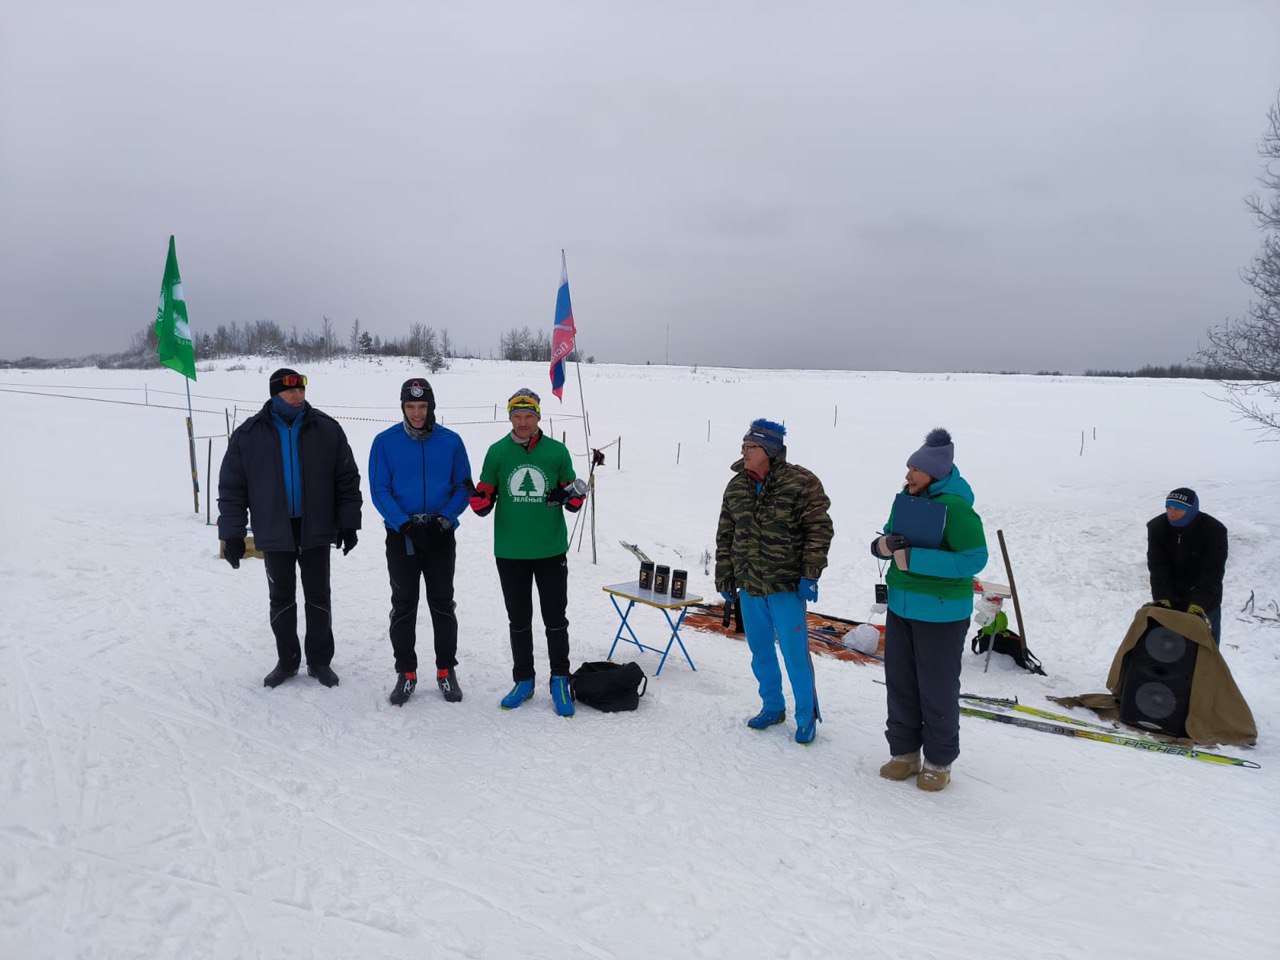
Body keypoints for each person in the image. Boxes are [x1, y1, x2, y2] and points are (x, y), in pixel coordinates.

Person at [218, 368, 362, 688]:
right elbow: (232, 488)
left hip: (316, 528)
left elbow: (346, 479)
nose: (298, 395)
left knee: (318, 596)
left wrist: (348, 524)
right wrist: (232, 533)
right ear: (274, 394)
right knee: (281, 598)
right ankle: (287, 661)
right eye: (290, 390)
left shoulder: (326, 429)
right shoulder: (250, 434)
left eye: (301, 389)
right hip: (274, 530)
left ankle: (320, 661)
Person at [871, 428, 986, 792]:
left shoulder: (956, 507)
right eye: (908, 469)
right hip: (902, 606)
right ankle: (904, 753)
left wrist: (914, 558)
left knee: (936, 688)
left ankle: (939, 760)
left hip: (942, 612)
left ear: (934, 473)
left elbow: (974, 559)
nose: (908, 476)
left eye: (915, 471)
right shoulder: (907, 499)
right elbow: (888, 535)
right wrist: (883, 546)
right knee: (900, 682)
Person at [715, 419, 833, 745]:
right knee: (760, 651)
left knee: (795, 654)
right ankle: (772, 705)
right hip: (750, 585)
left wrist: (811, 573)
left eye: (749, 447)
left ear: (769, 450)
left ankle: (807, 716)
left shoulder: (800, 482)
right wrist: (725, 574)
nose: (743, 451)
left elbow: (818, 531)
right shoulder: (737, 485)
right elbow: (726, 534)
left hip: (786, 586)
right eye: (743, 446)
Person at [469, 388, 586, 716]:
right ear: (510, 418)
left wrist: (572, 497)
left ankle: (560, 678)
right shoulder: (497, 452)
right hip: (510, 550)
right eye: (517, 416)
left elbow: (572, 491)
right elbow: (485, 496)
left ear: (538, 417)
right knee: (518, 620)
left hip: (550, 549)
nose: (523, 422)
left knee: (555, 619)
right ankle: (524, 679)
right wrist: (479, 500)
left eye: (529, 416)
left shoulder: (557, 451)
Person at [369, 377, 473, 706]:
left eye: (422, 406)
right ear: (403, 407)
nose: (416, 413)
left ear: (432, 407)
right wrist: (404, 525)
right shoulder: (385, 443)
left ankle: (446, 671)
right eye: (410, 406)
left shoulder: (451, 441)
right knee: (404, 603)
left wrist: (445, 520)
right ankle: (407, 673)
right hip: (404, 537)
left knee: (442, 602)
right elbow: (379, 490)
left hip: (440, 534)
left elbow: (463, 486)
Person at [1147, 487, 1228, 646]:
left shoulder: (1214, 530)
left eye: (1178, 509)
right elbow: (1157, 565)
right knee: (1170, 653)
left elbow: (1212, 571)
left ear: (1192, 510)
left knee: (1205, 653)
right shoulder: (1157, 527)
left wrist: (1199, 604)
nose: (1172, 513)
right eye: (1168, 507)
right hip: (1170, 601)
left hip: (1205, 604)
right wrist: (1162, 597)